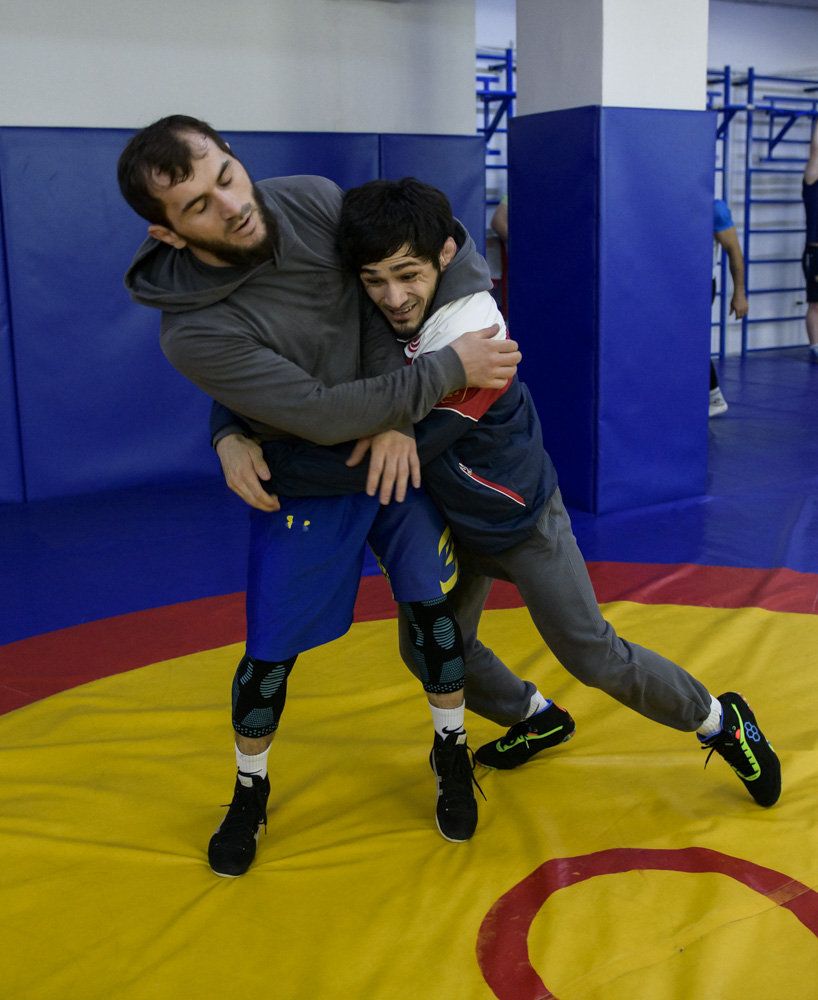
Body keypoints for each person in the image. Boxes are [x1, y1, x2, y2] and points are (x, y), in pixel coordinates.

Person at [223, 177, 781, 813]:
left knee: (592, 653)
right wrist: (228, 429)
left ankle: (719, 720)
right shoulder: (373, 301)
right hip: (451, 520)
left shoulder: (477, 331)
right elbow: (271, 355)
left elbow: (389, 457)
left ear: (444, 254)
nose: (393, 298)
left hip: (518, 521)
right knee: (431, 651)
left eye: (407, 275)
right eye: (374, 280)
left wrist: (276, 464)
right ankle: (533, 715)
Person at [118, 116, 535, 874]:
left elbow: (375, 301)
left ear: (234, 157)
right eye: (198, 205)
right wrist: (439, 375)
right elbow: (313, 409)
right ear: (167, 232)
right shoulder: (190, 332)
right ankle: (250, 789)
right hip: (306, 479)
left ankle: (450, 748)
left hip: (393, 461)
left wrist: (397, 420)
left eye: (225, 176)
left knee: (432, 616)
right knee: (270, 655)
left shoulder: (309, 200)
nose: (230, 205)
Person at [711, 198, 749, 417]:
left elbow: (734, 250)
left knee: (692, 339)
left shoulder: (715, 208)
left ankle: (714, 397)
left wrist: (739, 293)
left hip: (701, 285)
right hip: (673, 283)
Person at [803, 117, 818, 364]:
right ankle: (816, 347)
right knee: (816, 304)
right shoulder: (812, 184)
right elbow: (815, 151)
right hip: (816, 252)